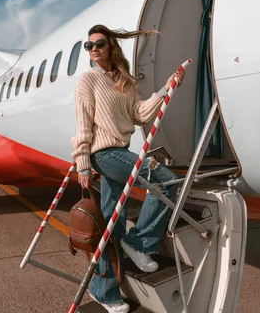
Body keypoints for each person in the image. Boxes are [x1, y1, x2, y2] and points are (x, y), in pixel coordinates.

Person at [71, 24, 185, 313]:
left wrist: (166, 88)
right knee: (166, 181)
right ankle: (140, 243)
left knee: (111, 223)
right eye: (89, 46)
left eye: (99, 44)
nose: (94, 49)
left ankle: (103, 290)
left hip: (120, 151)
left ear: (111, 48)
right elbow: (83, 124)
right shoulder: (88, 80)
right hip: (103, 154)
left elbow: (139, 114)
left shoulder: (125, 81)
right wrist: (83, 164)